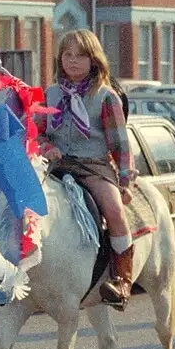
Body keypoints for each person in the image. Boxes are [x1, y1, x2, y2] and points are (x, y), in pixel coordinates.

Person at [38, 30, 136, 307]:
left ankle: (122, 280)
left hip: (93, 166)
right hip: (56, 166)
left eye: (80, 55)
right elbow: (38, 133)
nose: (73, 61)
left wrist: (125, 183)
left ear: (94, 60)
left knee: (115, 211)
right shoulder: (51, 94)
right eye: (67, 55)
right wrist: (47, 148)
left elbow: (120, 144)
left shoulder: (106, 97)